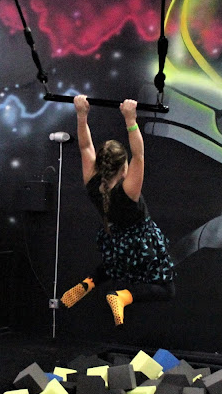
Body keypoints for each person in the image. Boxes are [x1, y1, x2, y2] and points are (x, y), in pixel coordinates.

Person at [60, 94, 175, 326]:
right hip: (140, 244)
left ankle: (87, 284)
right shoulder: (129, 189)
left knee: (113, 266)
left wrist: (81, 116)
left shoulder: (92, 182)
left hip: (115, 242)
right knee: (166, 288)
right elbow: (139, 154)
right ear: (124, 169)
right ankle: (122, 297)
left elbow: (85, 146)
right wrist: (130, 120)